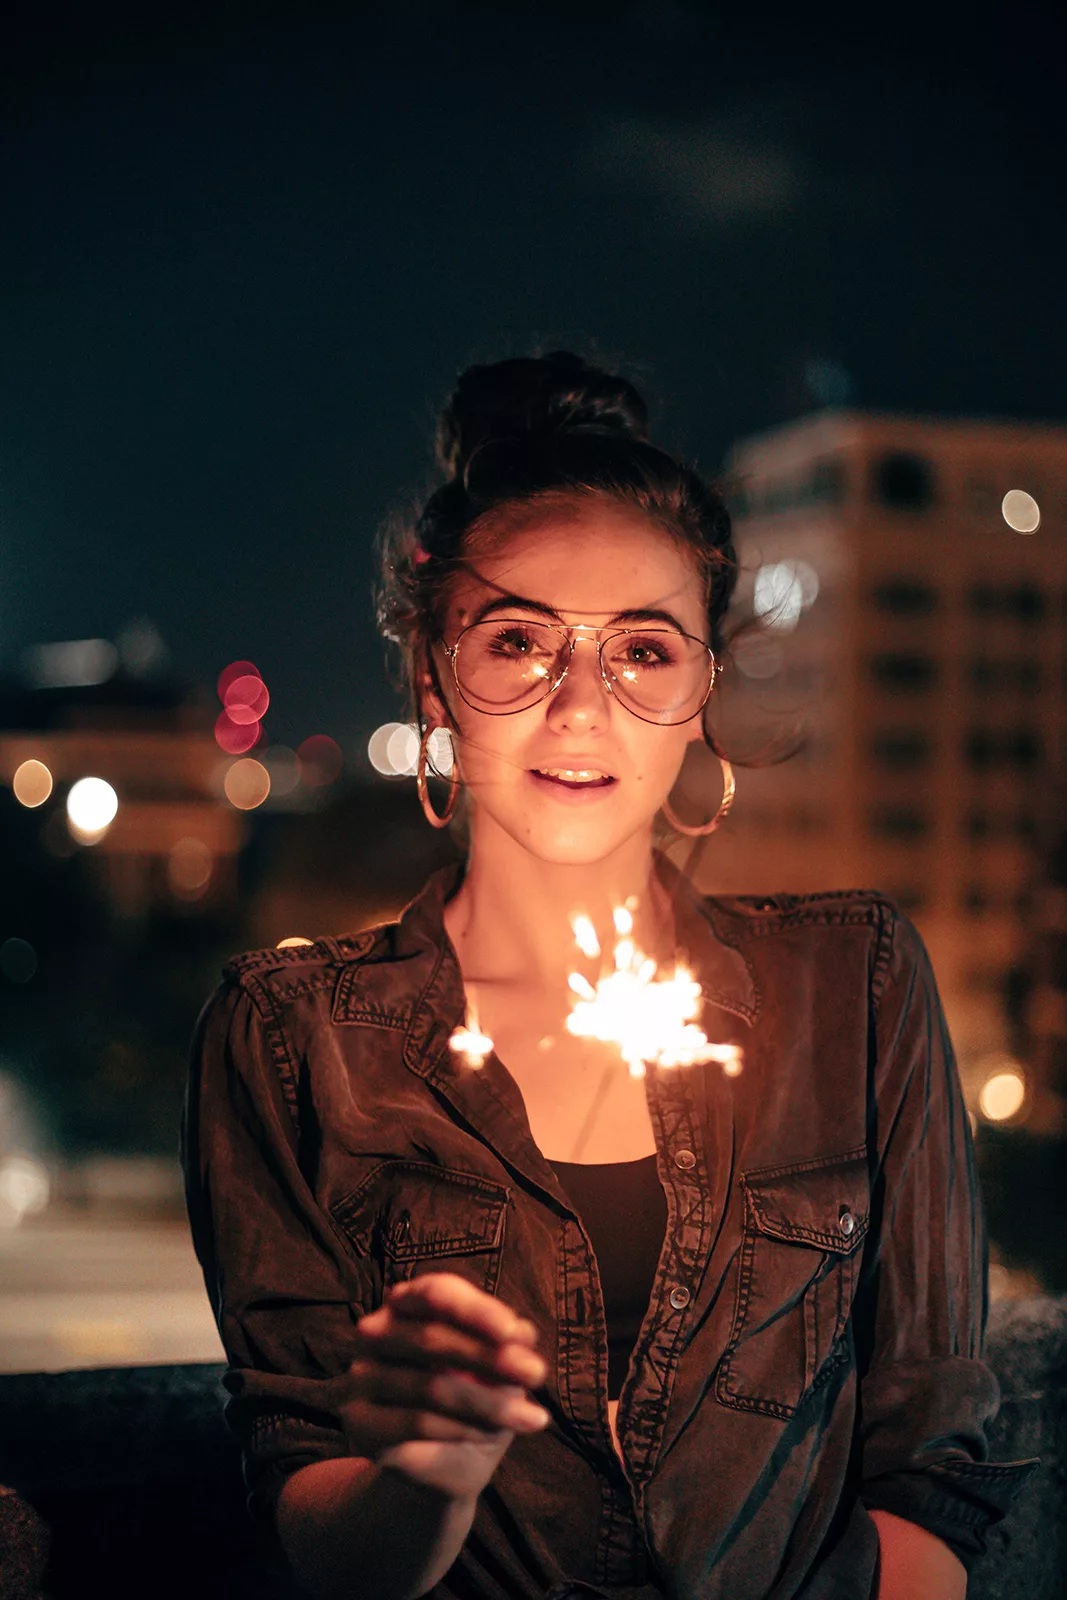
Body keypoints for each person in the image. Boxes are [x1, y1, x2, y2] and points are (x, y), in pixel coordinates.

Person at [182, 350, 1035, 1600]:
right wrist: (427, 1469)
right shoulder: (287, 1037)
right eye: (516, 640)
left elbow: (929, 1463)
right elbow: (314, 1518)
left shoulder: (850, 985)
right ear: (432, 674)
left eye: (641, 649)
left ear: (702, 685)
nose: (579, 704)